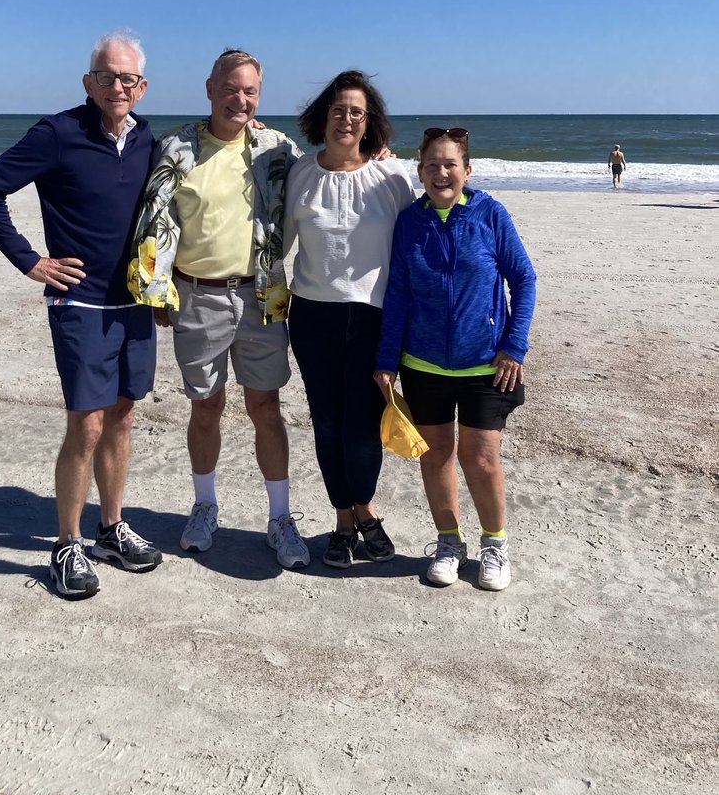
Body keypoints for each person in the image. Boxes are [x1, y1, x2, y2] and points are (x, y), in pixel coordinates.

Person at [0, 29, 163, 599]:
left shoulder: (149, 139)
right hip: (79, 301)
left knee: (122, 415)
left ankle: (111, 528)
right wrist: (30, 260)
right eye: (107, 77)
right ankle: (67, 543)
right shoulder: (57, 133)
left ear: (142, 86)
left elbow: (200, 167)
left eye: (127, 78)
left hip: (135, 302)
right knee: (88, 422)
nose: (117, 87)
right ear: (89, 82)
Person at [129, 49, 310, 569]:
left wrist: (376, 154)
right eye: (230, 88)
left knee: (266, 408)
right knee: (205, 407)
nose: (240, 99)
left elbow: (327, 176)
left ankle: (280, 518)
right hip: (197, 295)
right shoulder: (175, 147)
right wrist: (156, 289)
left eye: (250, 91)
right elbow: (154, 216)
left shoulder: (278, 149)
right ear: (210, 88)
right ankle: (204, 507)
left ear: (260, 95)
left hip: (262, 295)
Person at [374, 127, 536, 592]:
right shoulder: (410, 222)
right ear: (420, 171)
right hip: (423, 364)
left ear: (467, 171)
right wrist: (387, 359)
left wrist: (514, 345)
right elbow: (398, 294)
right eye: (432, 165)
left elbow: (523, 279)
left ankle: (495, 545)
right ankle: (449, 543)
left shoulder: (489, 214)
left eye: (450, 165)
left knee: (480, 458)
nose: (441, 173)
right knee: (437, 455)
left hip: (486, 364)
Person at [283, 70, 414, 567]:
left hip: (373, 317)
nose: (347, 119)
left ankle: (365, 509)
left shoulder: (392, 176)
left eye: (357, 112)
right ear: (323, 116)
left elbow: (415, 244)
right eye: (338, 109)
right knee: (326, 423)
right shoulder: (299, 173)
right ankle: (345, 519)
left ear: (369, 121)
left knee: (363, 424)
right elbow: (276, 246)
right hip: (312, 316)